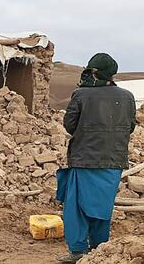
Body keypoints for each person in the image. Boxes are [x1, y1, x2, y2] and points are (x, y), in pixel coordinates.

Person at [56, 53, 136, 263]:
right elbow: (130, 127)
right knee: (102, 207)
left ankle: (78, 251)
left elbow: (69, 125)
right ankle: (100, 250)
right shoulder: (127, 97)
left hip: (84, 160)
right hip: (113, 162)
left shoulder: (80, 94)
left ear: (93, 72)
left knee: (77, 208)